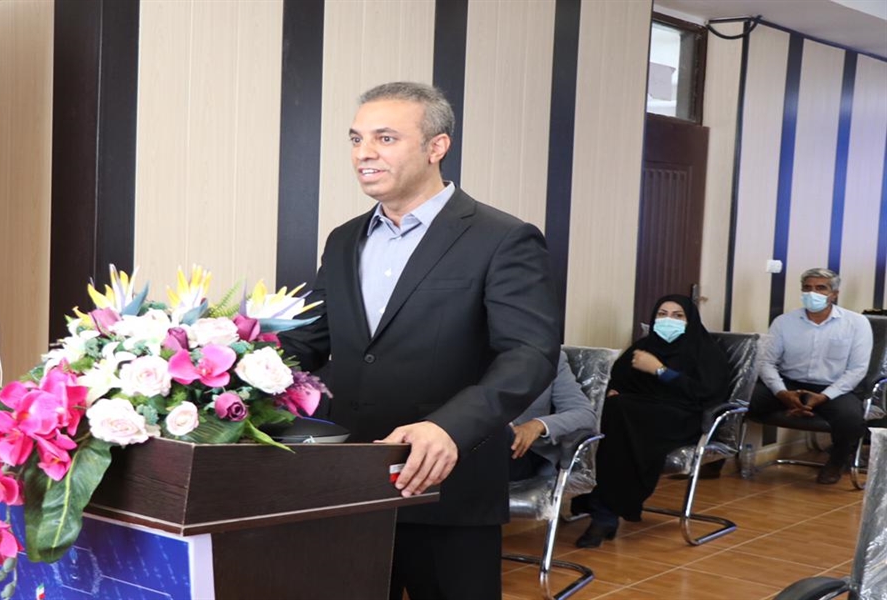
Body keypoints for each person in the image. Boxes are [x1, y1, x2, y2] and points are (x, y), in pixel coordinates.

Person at [278, 81, 561, 600]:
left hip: (448, 484)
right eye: (356, 138)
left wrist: (450, 427)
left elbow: (529, 353)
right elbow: (309, 339)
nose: (364, 153)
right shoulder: (343, 239)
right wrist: (208, 372)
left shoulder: (501, 237)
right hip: (349, 482)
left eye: (385, 138)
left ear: (437, 146)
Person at [571, 294, 730, 548]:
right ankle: (604, 510)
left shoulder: (706, 351)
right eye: (662, 314)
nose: (668, 320)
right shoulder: (644, 347)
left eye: (678, 316)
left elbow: (707, 394)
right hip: (637, 414)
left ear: (690, 320)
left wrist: (661, 371)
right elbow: (617, 378)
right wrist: (611, 389)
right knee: (613, 412)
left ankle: (603, 512)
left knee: (621, 418)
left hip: (684, 418)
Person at [748, 268, 872, 484]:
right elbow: (766, 362)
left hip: (833, 387)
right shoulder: (784, 322)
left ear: (834, 294)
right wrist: (782, 393)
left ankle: (836, 462)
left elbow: (857, 370)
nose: (812, 293)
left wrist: (824, 396)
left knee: (850, 418)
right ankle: (716, 459)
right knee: (741, 400)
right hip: (789, 384)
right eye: (807, 288)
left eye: (820, 288)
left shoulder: (857, 323)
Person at [509, 350, 597, 482]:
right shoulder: (475, 356)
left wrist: (537, 425)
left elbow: (584, 413)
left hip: (521, 452)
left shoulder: (550, 358)